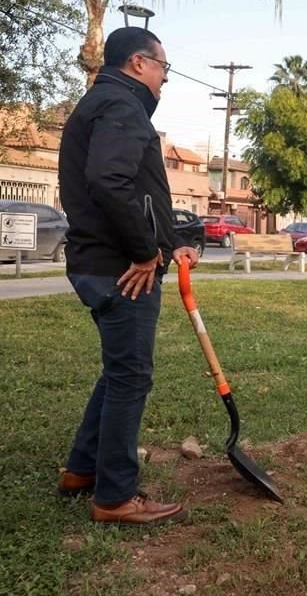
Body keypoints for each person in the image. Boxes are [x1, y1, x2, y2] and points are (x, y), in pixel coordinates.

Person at [56, 27, 200, 525]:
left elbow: (135, 190)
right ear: (139, 63)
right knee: (132, 378)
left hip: (101, 262)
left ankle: (81, 470)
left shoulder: (104, 103)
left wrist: (170, 243)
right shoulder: (122, 106)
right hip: (119, 268)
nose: (165, 79)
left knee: (119, 373)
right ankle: (115, 497)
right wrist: (144, 253)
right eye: (165, 68)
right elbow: (110, 181)